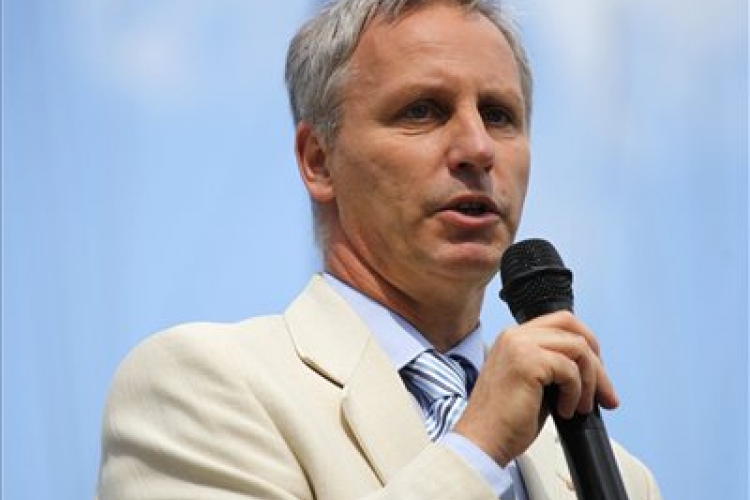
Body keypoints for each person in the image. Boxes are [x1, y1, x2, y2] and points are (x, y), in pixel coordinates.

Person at [97, 1, 662, 499]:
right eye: (423, 110)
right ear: (319, 160)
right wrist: (477, 450)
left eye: (498, 115)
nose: (477, 147)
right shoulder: (197, 387)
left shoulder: (623, 481)